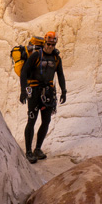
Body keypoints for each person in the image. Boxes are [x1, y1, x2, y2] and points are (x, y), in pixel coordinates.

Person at [19, 31, 67, 163]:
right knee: (32, 121)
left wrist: (64, 91)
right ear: (44, 42)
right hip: (34, 92)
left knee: (46, 121)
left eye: (52, 44)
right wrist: (23, 91)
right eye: (48, 43)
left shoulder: (56, 59)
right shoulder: (36, 55)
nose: (50, 46)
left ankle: (37, 149)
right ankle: (28, 151)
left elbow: (60, 75)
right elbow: (24, 72)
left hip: (48, 93)